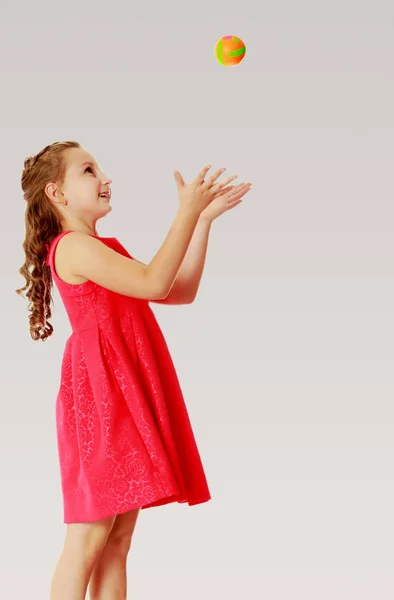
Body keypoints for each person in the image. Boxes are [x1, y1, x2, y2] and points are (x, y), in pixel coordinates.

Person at [16, 141, 252, 600]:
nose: (104, 177)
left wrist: (200, 221)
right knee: (86, 540)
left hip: (122, 392)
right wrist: (184, 212)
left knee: (117, 542)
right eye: (88, 170)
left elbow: (176, 290)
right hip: (101, 399)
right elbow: (153, 281)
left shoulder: (102, 248)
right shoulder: (73, 248)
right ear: (56, 194)